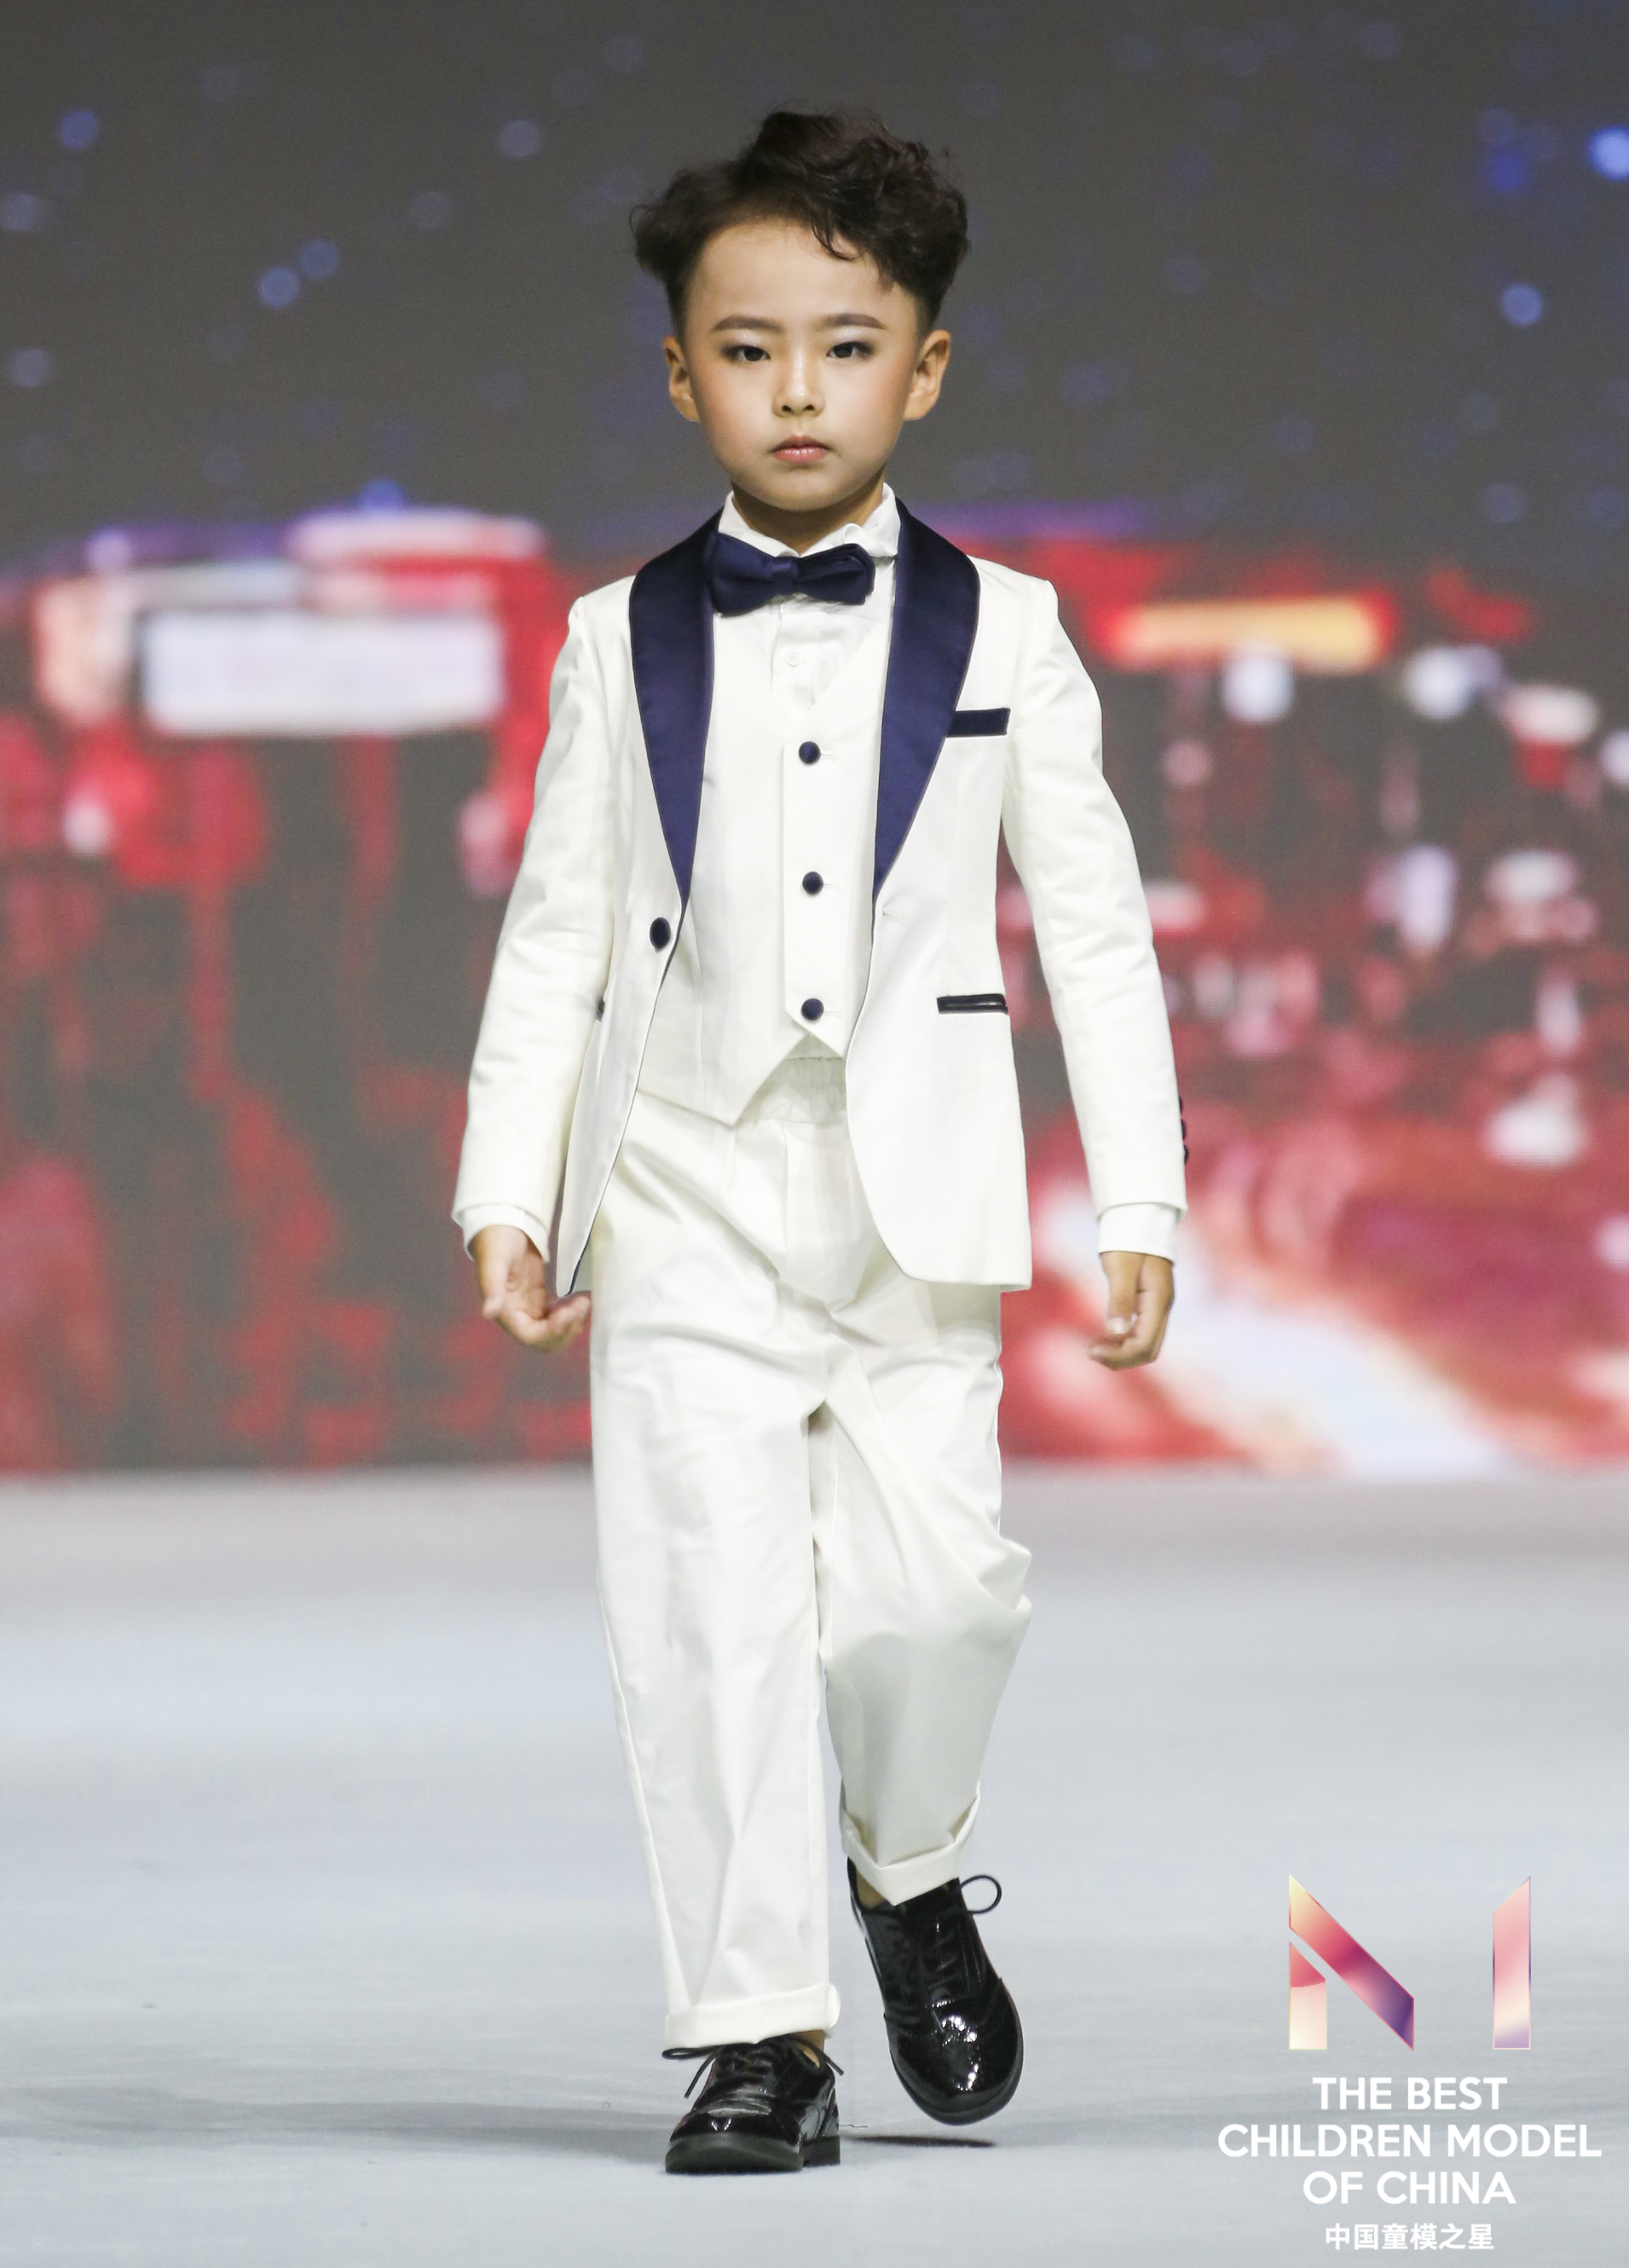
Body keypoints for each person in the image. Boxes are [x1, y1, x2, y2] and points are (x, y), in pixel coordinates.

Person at [452, 109, 1186, 2174]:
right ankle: (756, 2033)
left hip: (909, 1204)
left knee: (932, 1601)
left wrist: (1138, 1189)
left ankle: (904, 1860)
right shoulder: (613, 636)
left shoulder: (1007, 629)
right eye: (748, 347)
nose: (798, 389)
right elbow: (559, 929)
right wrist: (510, 1182)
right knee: (704, 1620)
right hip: (679, 1184)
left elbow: (1094, 927)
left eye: (845, 347)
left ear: (922, 369)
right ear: (680, 372)